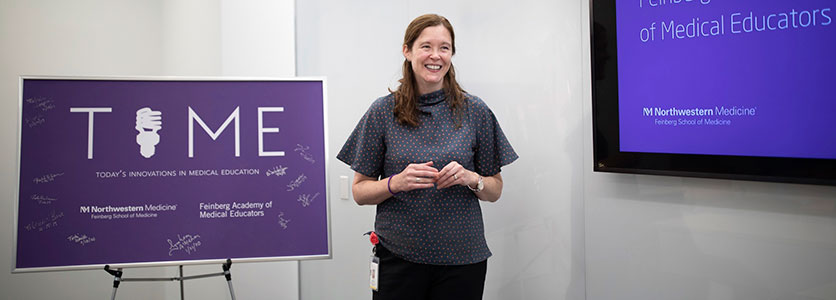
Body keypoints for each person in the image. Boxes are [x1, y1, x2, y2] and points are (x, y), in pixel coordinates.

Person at [337, 13, 518, 300]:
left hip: (463, 262)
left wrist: (472, 178)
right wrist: (395, 183)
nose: (435, 56)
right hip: (398, 260)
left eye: (444, 47)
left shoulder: (476, 111)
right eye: (426, 46)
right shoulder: (383, 112)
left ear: (452, 54)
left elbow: (494, 190)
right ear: (407, 51)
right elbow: (359, 192)